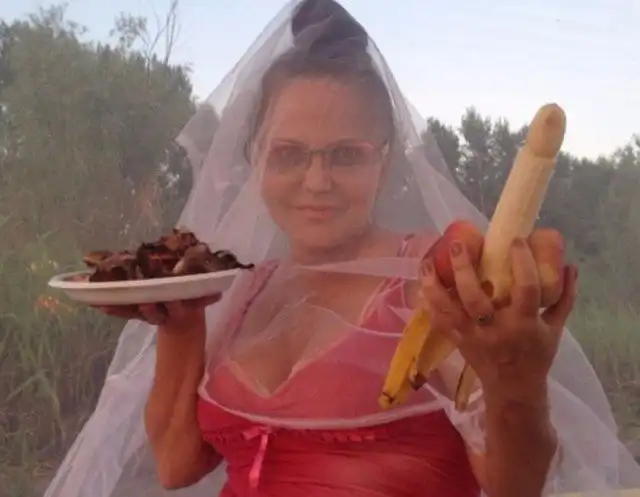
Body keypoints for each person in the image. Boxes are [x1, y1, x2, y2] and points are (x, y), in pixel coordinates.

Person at [44, 1, 640, 496]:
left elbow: (516, 485)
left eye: (347, 154)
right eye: (289, 154)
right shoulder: (243, 289)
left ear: (387, 162)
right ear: (255, 158)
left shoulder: (438, 282)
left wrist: (516, 384)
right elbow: (177, 464)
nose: (317, 181)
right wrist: (178, 323)